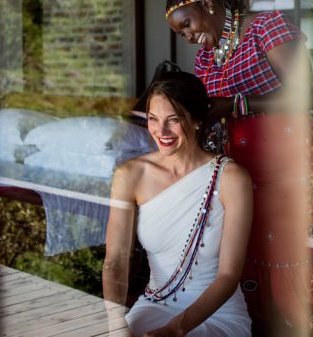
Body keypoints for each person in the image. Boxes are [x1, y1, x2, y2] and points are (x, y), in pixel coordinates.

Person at [165, 0, 313, 336]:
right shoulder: (205, 59)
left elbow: (307, 94)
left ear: (208, 3)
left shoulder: (266, 28)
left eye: (187, 25)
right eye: (180, 32)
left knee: (297, 258)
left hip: (292, 167)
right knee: (251, 257)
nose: (187, 36)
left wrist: (235, 106)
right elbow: (214, 112)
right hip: (243, 173)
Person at [103, 71, 253, 337]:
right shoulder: (130, 175)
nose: (161, 132)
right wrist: (117, 325)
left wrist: (176, 329)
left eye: (173, 120)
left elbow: (228, 277)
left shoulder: (231, 178)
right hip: (155, 302)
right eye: (153, 119)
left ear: (196, 120)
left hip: (217, 313)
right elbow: (115, 260)